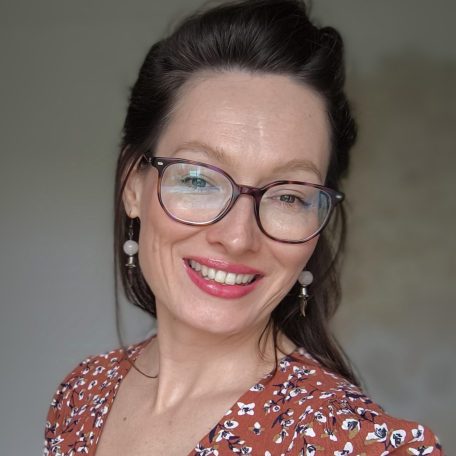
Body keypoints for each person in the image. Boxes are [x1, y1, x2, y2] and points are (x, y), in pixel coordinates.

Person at [44, 0, 443, 454]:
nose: (237, 237)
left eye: (289, 196)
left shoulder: (354, 444)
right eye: (198, 179)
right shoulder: (82, 395)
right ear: (133, 185)